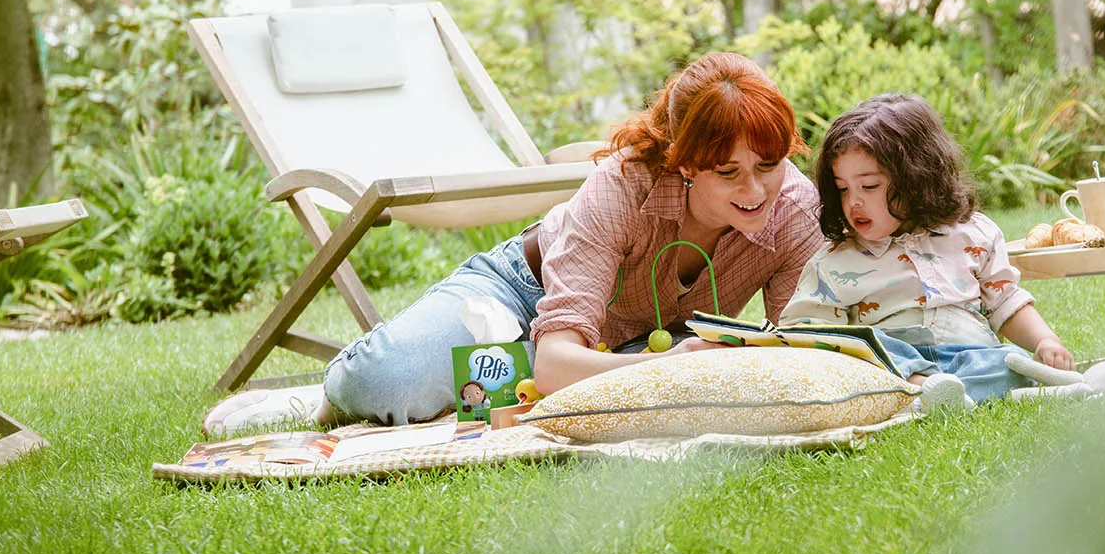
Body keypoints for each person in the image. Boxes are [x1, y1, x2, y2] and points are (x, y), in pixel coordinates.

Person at [203, 52, 825, 437]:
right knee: (387, 383)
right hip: (521, 296)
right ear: (686, 163)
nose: (756, 189)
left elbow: (799, 341)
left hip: (634, 337)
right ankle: (327, 395)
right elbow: (555, 361)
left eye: (768, 164)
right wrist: (673, 368)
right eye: (728, 172)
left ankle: (472, 380)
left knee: (489, 386)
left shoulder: (794, 207)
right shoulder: (622, 187)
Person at [779, 93, 1074, 413]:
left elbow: (1006, 303)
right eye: (843, 188)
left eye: (869, 186)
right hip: (895, 366)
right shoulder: (833, 263)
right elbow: (806, 333)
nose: (854, 202)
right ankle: (926, 391)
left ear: (916, 179)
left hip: (971, 358)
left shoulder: (974, 235)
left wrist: (1046, 341)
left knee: (1004, 362)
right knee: (869, 349)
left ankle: (1024, 387)